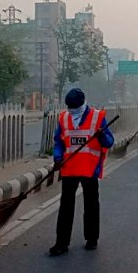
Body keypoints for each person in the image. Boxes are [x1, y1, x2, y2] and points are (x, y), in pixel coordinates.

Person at [49, 88, 114, 257]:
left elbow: (109, 142)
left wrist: (100, 136)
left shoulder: (97, 117)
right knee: (66, 206)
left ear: (82, 104)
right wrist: (57, 158)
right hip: (69, 168)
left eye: (74, 107)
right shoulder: (63, 117)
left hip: (89, 168)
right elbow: (59, 142)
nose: (72, 111)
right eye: (70, 107)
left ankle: (91, 238)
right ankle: (61, 242)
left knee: (91, 204)